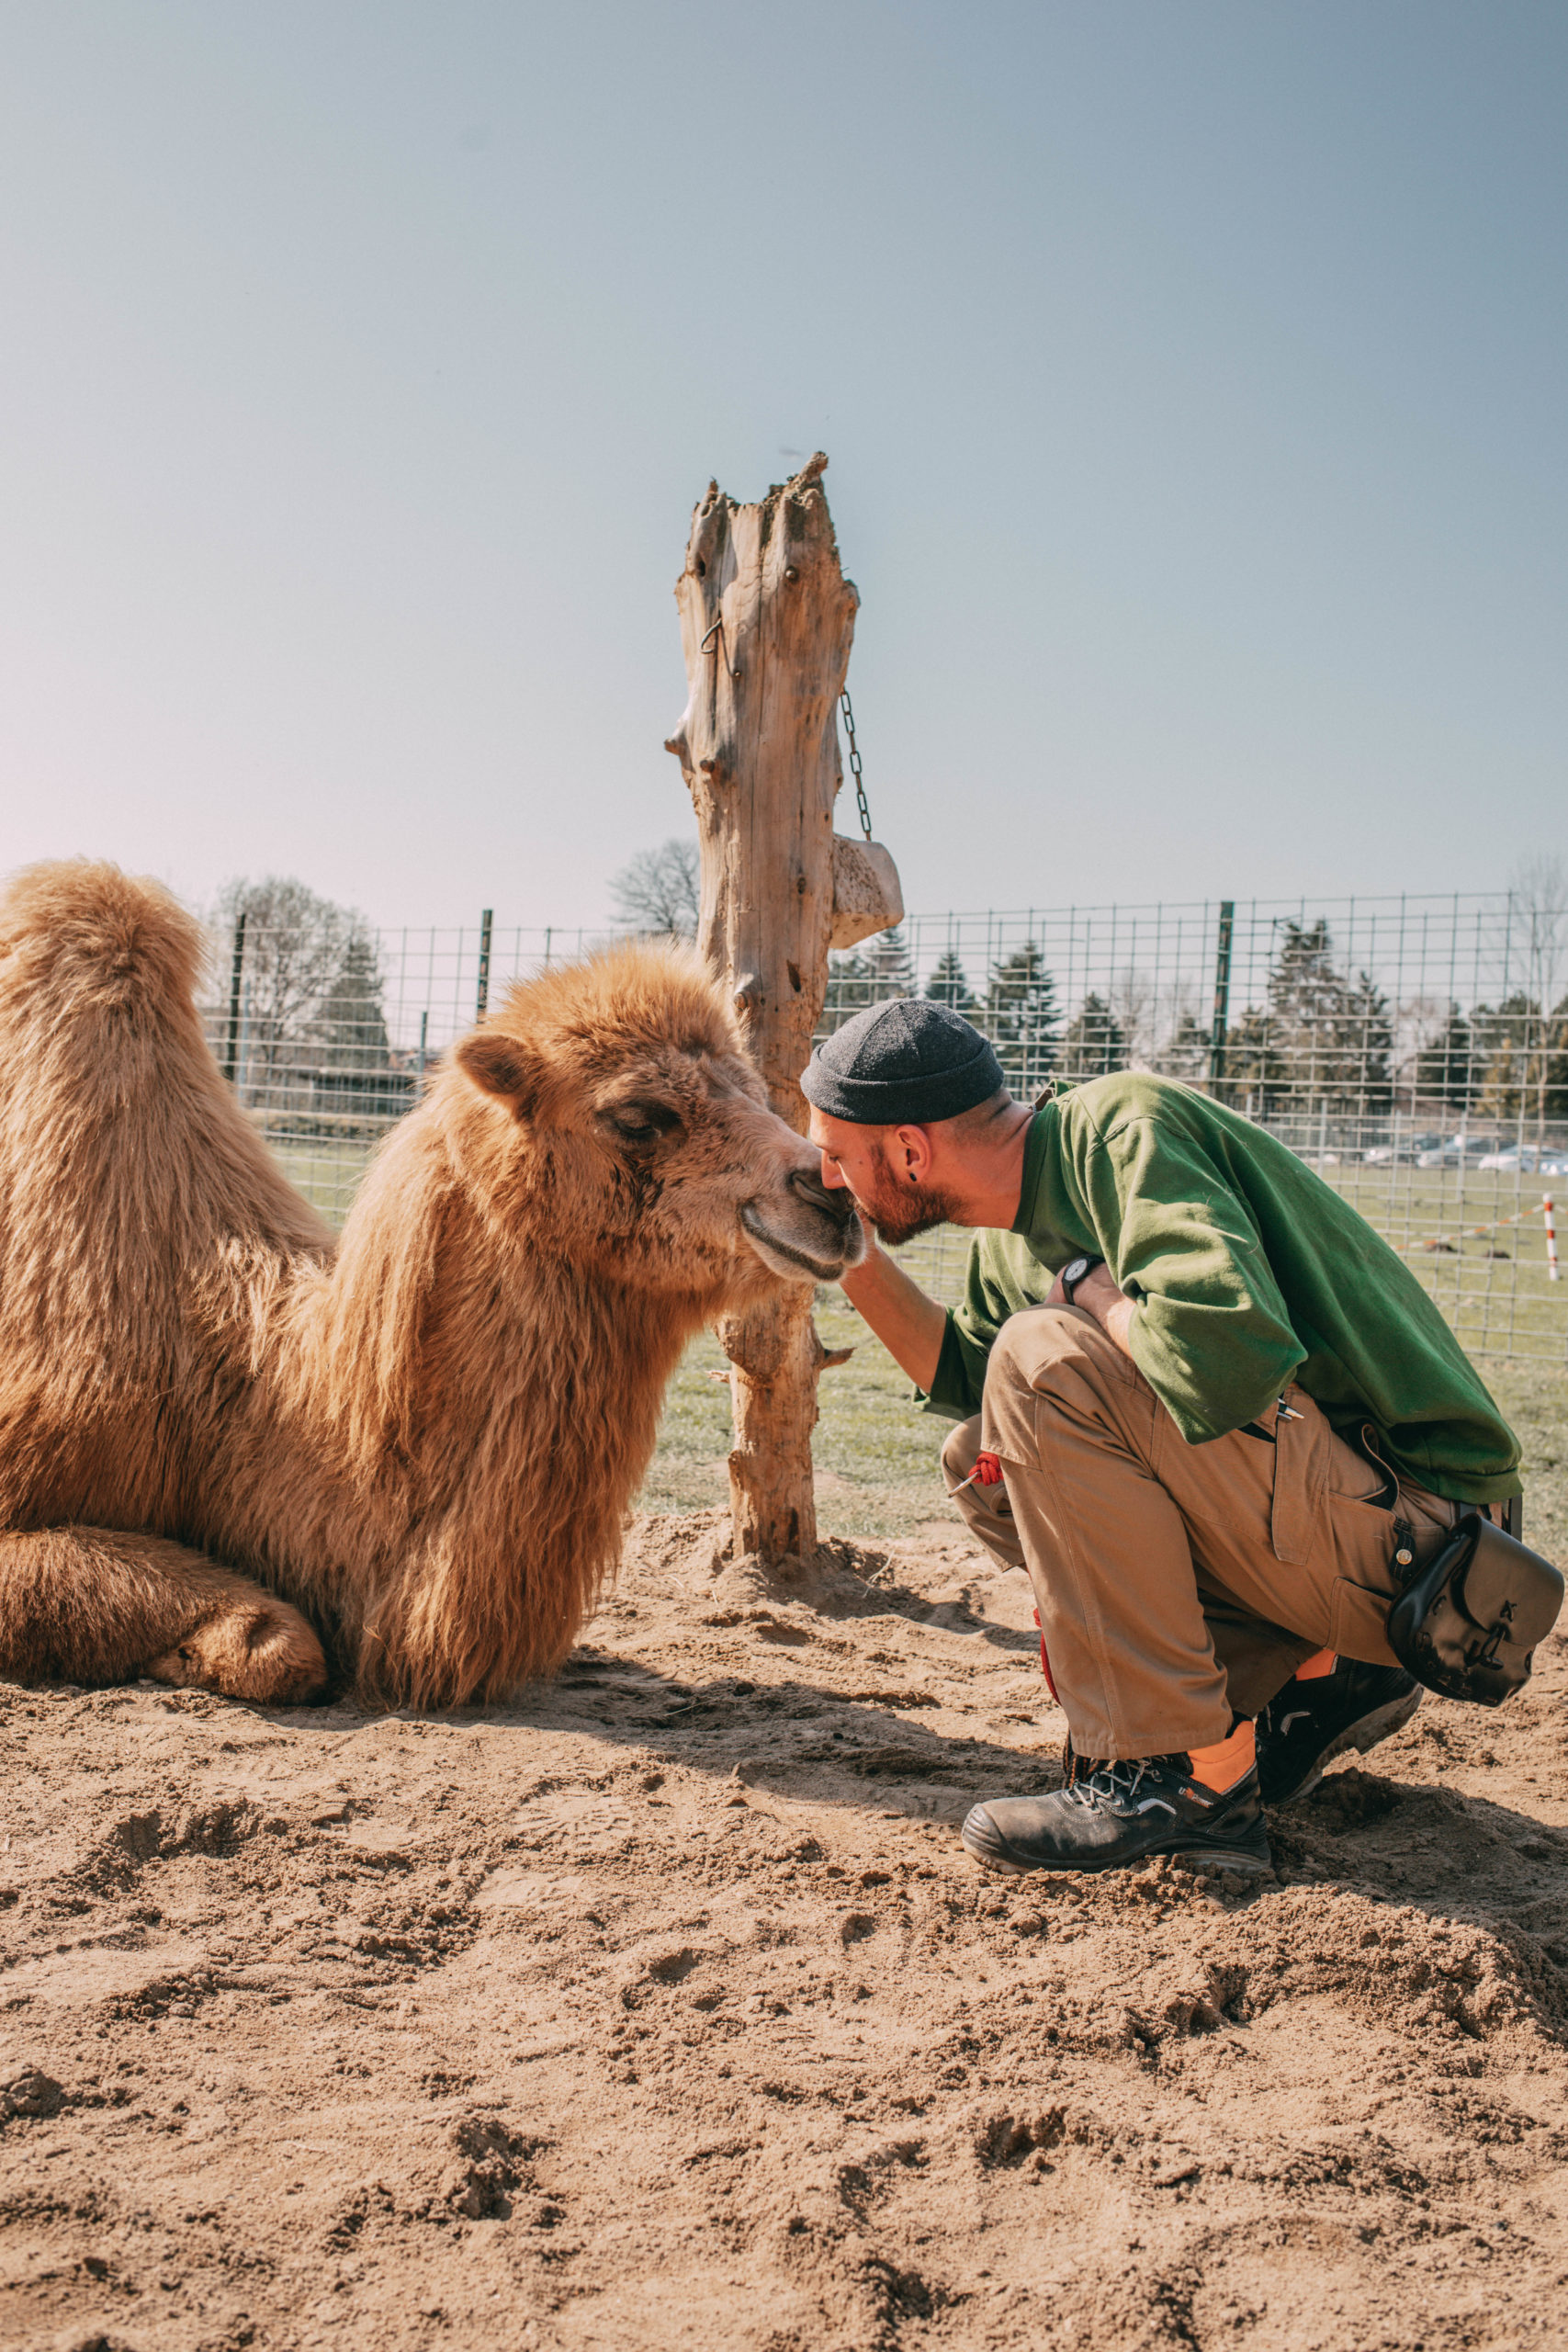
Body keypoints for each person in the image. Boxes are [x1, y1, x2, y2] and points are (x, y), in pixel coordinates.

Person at [799, 998, 1522, 1879]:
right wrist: (847, 1252)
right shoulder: (1014, 1224)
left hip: (1441, 1550)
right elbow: (968, 1385)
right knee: (982, 1459)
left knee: (1040, 1353)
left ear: (910, 1151)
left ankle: (1184, 1785)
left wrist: (1091, 1301)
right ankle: (1312, 1678)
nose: (830, 1177)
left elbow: (1225, 1358)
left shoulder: (1120, 1133)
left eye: (836, 1158)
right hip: (1356, 1535)